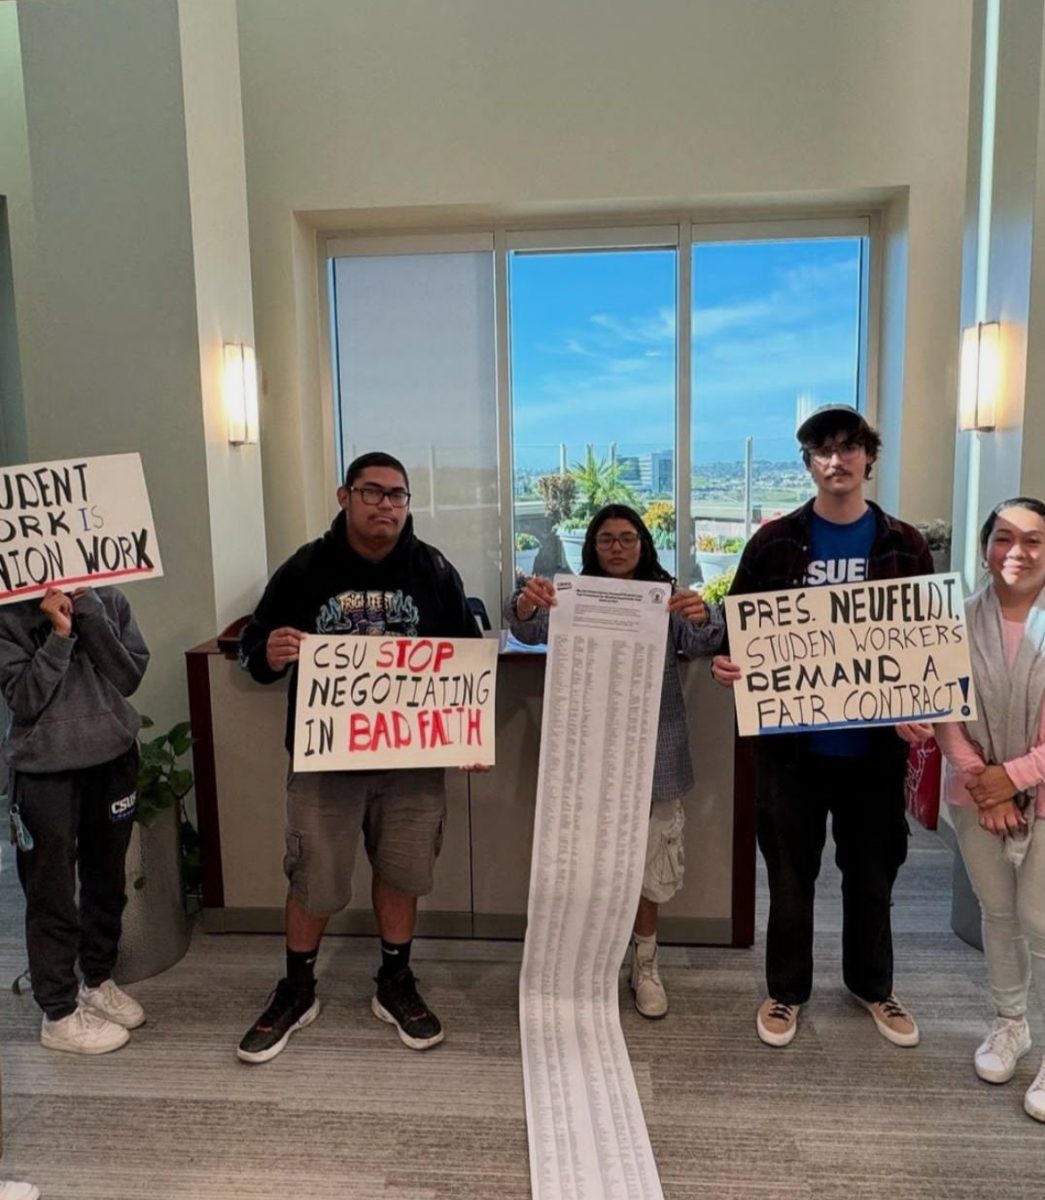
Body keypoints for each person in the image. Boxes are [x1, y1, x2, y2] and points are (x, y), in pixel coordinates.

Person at [237, 451, 483, 1063]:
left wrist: (468, 730)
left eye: (398, 495)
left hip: (412, 762)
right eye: (373, 493)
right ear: (344, 496)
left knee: (404, 874)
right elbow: (252, 648)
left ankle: (394, 981)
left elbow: (467, 659)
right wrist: (269, 650)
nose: (387, 506)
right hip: (325, 761)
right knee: (315, 878)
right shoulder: (306, 569)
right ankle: (297, 988)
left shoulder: (434, 570)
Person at [712, 404, 933, 1049]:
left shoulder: (906, 544)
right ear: (808, 464)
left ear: (868, 456)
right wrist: (732, 663)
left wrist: (923, 699)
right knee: (789, 876)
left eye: (847, 447)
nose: (835, 461)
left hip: (874, 750)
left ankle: (872, 986)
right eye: (820, 451)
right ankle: (785, 993)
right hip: (791, 750)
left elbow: (926, 641)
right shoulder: (773, 542)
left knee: (872, 873)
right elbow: (740, 631)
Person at [506, 503, 724, 1017]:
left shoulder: (663, 598)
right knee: (584, 862)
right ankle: (583, 963)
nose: (618, 547)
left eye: (627, 538)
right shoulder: (574, 596)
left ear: (644, 544)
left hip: (654, 754)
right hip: (586, 754)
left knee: (647, 867)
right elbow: (527, 629)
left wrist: (703, 612)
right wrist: (523, 603)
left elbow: (706, 640)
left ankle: (644, 963)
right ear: (592, 547)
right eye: (607, 539)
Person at [0, 587, 149, 1056]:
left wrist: (90, 613)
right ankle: (58, 1011)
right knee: (51, 892)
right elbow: (24, 700)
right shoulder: (9, 612)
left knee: (108, 881)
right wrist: (59, 635)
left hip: (112, 758)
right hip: (45, 769)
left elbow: (128, 676)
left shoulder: (110, 597)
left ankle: (97, 980)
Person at [935, 497, 1045, 1122]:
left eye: (1033, 541)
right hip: (972, 789)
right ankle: (1010, 1022)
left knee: (1042, 918)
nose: (1017, 552)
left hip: (1039, 789)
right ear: (985, 548)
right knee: (998, 912)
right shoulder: (952, 620)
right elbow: (941, 704)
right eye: (1004, 538)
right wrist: (981, 780)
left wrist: (1014, 779)